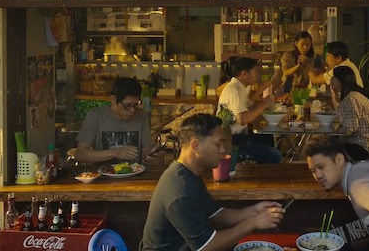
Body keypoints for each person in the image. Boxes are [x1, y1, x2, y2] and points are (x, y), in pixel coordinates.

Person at [140, 114, 285, 250]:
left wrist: (253, 211)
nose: (223, 150)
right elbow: (207, 246)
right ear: (195, 146)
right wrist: (254, 222)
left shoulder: (188, 174)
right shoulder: (180, 191)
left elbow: (216, 215)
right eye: (218, 144)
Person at [75, 77, 158, 164]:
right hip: (103, 171)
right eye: (127, 105)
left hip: (134, 170)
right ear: (113, 100)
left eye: (135, 105)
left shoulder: (141, 115)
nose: (132, 110)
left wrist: (151, 154)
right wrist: (114, 153)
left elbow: (145, 150)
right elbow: (80, 155)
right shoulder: (96, 116)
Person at [217, 56, 282, 163]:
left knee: (267, 137)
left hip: (239, 136)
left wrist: (262, 88)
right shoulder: (234, 90)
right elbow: (242, 119)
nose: (257, 75)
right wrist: (264, 104)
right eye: (255, 71)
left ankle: (261, 171)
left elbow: (249, 103)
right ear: (244, 74)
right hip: (233, 140)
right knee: (275, 155)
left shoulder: (238, 87)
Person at [331, 66, 369, 160]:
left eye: (334, 77)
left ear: (341, 80)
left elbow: (350, 129)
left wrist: (333, 139)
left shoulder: (351, 98)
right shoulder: (352, 95)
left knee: (327, 150)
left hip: (362, 146)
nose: (331, 80)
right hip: (366, 144)